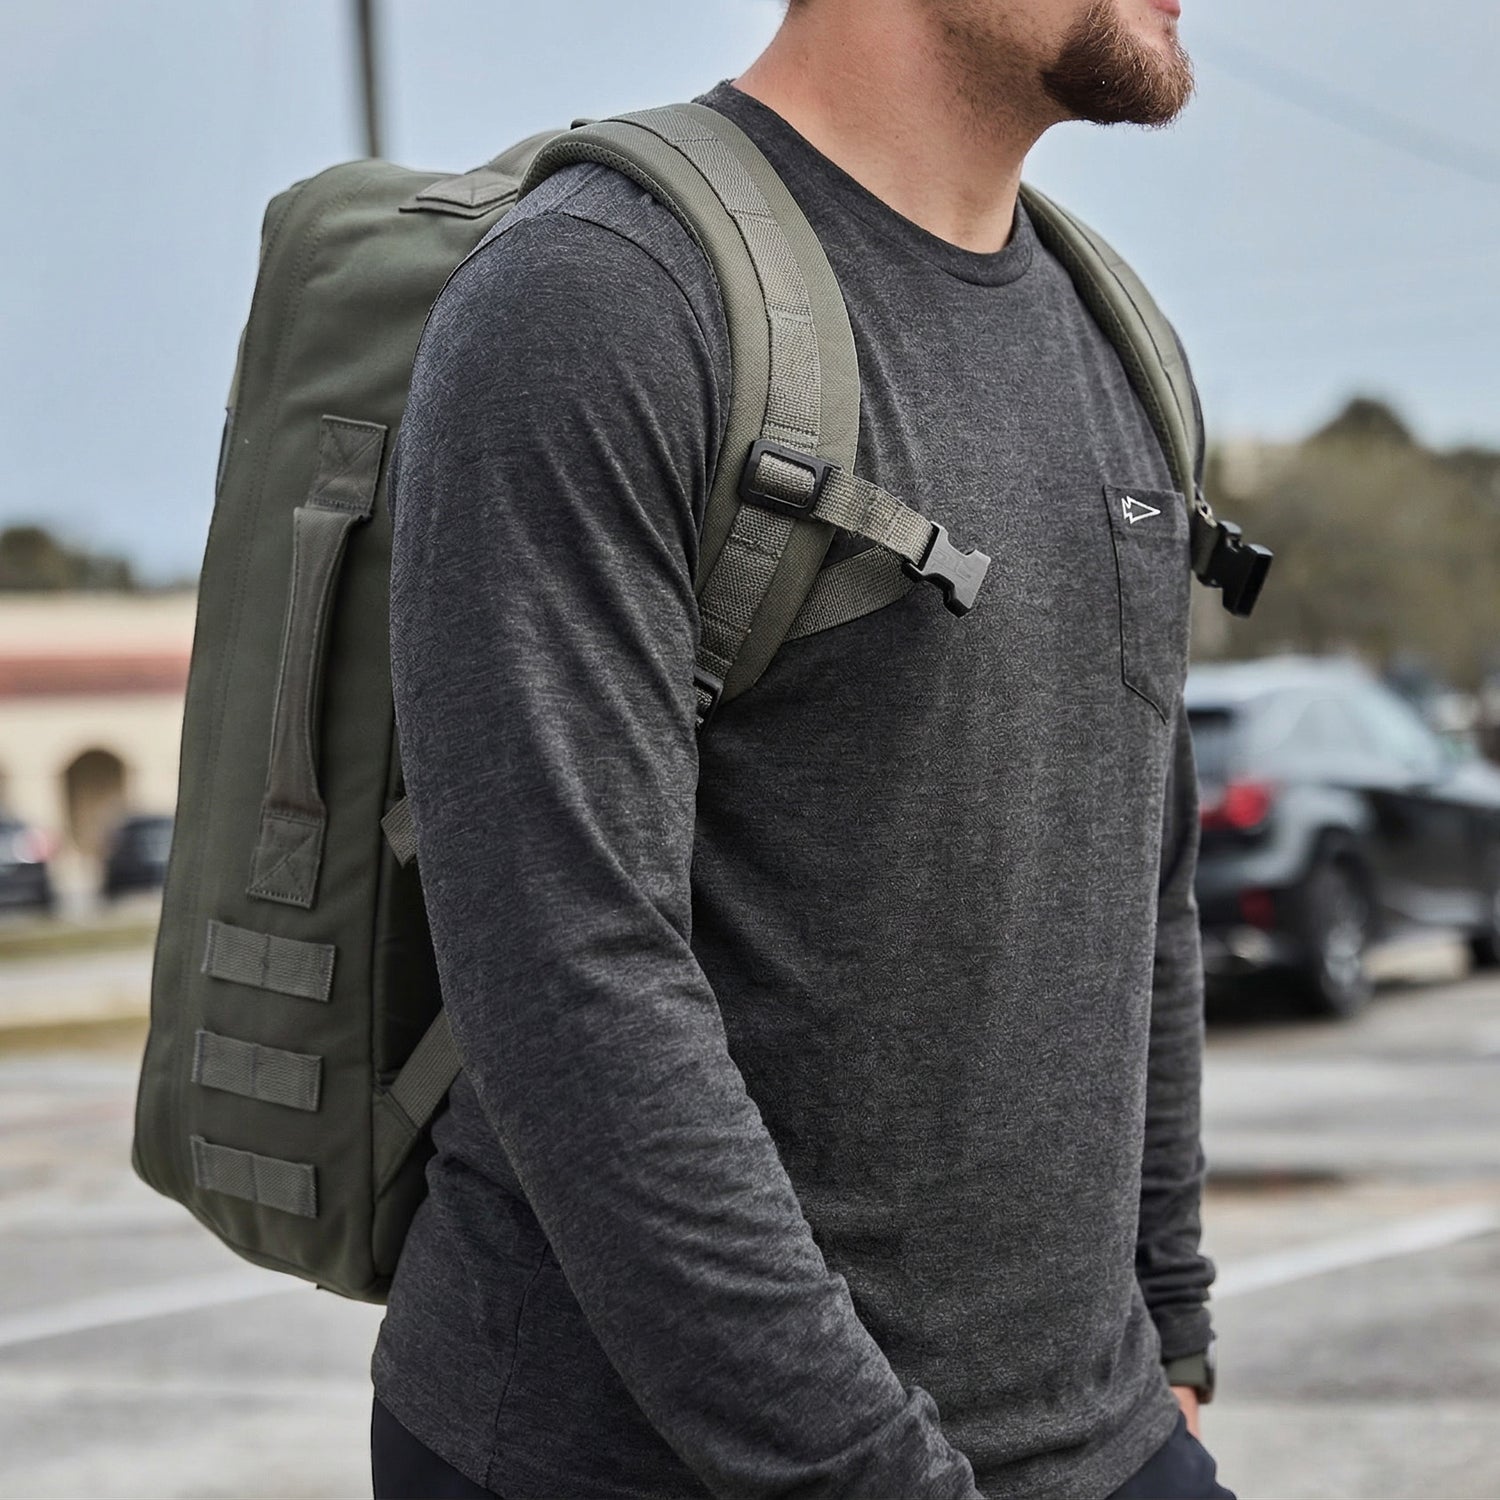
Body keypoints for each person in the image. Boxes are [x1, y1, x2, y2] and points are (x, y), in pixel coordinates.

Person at [372, 0, 1235, 1496]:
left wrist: (1168, 1330)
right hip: (644, 1465)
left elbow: (1135, 885)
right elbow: (569, 973)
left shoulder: (1118, 337)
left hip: (1103, 1445)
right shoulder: (599, 300)